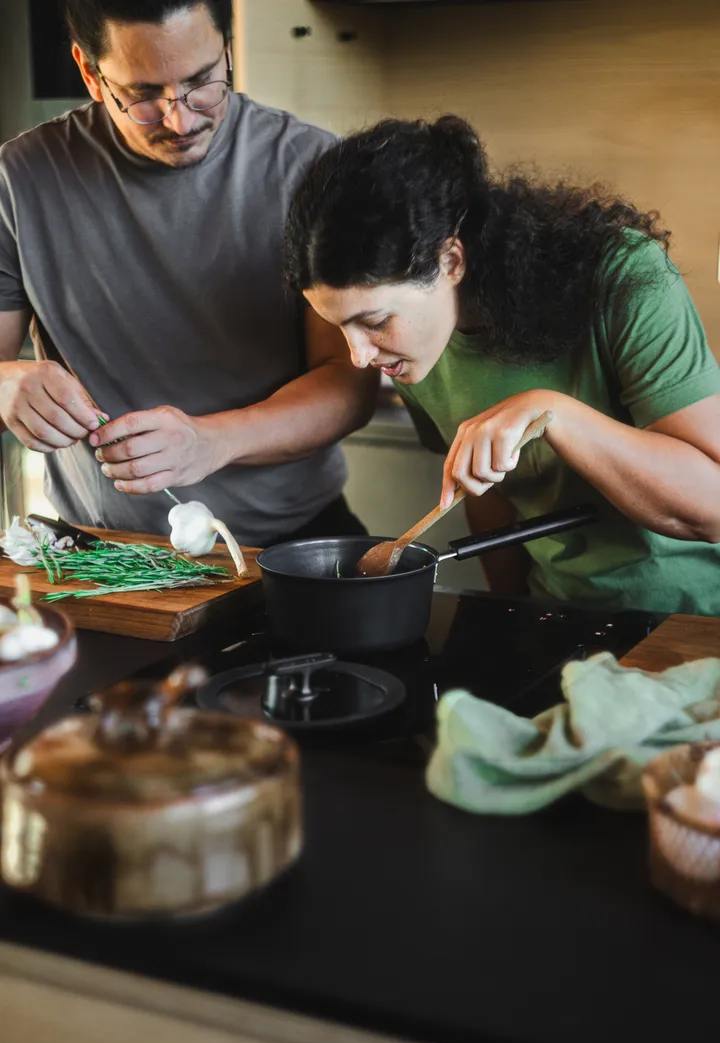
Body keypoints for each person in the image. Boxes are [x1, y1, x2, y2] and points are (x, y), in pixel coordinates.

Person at [284, 115, 720, 615]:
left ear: (450, 261)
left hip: (694, 621)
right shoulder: (413, 351)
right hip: (558, 612)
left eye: (376, 321)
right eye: (340, 328)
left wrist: (552, 413)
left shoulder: (624, 275)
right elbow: (487, 494)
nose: (359, 355)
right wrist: (507, 615)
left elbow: (711, 508)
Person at [0, 0, 377, 547]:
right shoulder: (18, 181)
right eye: (143, 95)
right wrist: (4, 384)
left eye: (202, 82)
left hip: (291, 544)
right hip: (101, 554)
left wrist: (210, 442)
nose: (180, 120)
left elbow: (349, 384)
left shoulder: (312, 167)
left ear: (228, 49)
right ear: (90, 72)